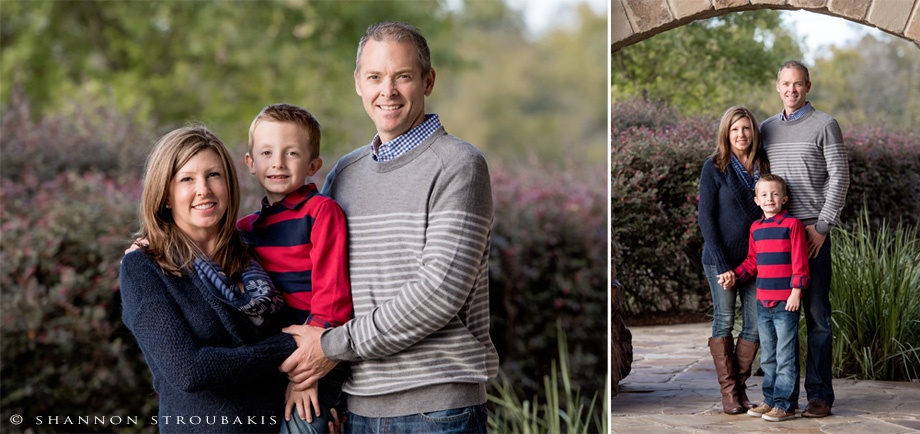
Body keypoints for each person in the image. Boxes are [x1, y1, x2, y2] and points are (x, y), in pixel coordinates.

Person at [279, 21, 498, 433]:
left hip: (436, 410)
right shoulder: (345, 172)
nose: (388, 91)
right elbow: (297, 256)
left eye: (403, 76)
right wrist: (169, 244)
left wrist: (331, 348)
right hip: (357, 406)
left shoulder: (459, 166)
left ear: (428, 80)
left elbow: (438, 294)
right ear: (358, 84)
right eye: (375, 77)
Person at [120, 126, 302, 433]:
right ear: (165, 194)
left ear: (228, 184)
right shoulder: (144, 268)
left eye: (213, 175)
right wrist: (289, 346)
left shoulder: (255, 251)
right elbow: (189, 370)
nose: (203, 189)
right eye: (187, 179)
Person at [238, 103, 353, 433]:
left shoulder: (321, 212)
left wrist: (307, 372)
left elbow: (333, 297)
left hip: (315, 353)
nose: (277, 162)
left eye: (291, 153)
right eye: (266, 152)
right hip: (270, 357)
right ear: (250, 162)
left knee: (303, 424)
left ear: (313, 164)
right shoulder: (245, 229)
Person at [760, 60, 849, 418]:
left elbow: (839, 176)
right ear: (777, 86)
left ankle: (819, 396)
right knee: (779, 324)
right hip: (777, 236)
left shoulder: (825, 125)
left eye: (798, 84)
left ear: (808, 87)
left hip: (812, 233)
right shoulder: (766, 129)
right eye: (785, 84)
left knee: (816, 317)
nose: (791, 90)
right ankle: (782, 398)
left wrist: (823, 226)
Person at [698, 106, 769, 414]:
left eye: (746, 128)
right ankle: (729, 394)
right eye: (734, 130)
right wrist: (723, 264)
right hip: (721, 260)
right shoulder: (714, 167)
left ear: (754, 132)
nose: (741, 135)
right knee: (724, 321)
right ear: (726, 134)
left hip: (757, 260)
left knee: (754, 327)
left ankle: (739, 389)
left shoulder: (764, 164)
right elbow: (706, 219)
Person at [731, 174, 809, 422]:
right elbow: (753, 261)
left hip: (786, 302)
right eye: (764, 194)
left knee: (785, 355)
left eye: (775, 194)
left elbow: (800, 261)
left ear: (784, 198)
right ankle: (770, 400)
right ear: (756, 200)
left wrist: (796, 291)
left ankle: (786, 404)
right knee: (768, 356)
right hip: (762, 302)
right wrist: (735, 276)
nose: (770, 199)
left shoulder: (792, 225)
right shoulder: (756, 228)